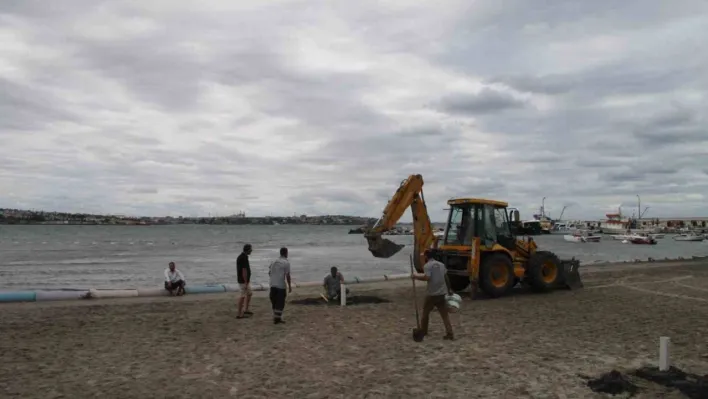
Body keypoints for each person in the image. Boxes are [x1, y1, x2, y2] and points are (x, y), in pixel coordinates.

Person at [412, 250, 454, 340]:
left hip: (432, 293)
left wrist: (415, 277)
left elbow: (427, 277)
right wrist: (449, 289)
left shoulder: (427, 266)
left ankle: (423, 331)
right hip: (442, 293)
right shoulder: (441, 265)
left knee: (425, 313)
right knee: (444, 315)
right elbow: (446, 277)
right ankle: (450, 333)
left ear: (427, 257)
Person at [268, 247, 292, 324]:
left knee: (274, 302)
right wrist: (289, 286)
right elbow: (287, 275)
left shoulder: (273, 261)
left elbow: (269, 273)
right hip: (280, 285)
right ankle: (277, 319)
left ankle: (276, 317)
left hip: (272, 284)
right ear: (286, 253)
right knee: (280, 303)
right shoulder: (286, 262)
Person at [236, 244, 254, 319]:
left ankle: (246, 309)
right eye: (251, 249)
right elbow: (244, 270)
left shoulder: (244, 256)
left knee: (249, 293)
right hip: (243, 281)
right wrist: (246, 282)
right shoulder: (243, 258)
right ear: (248, 250)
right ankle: (239, 314)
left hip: (245, 280)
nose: (252, 250)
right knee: (242, 296)